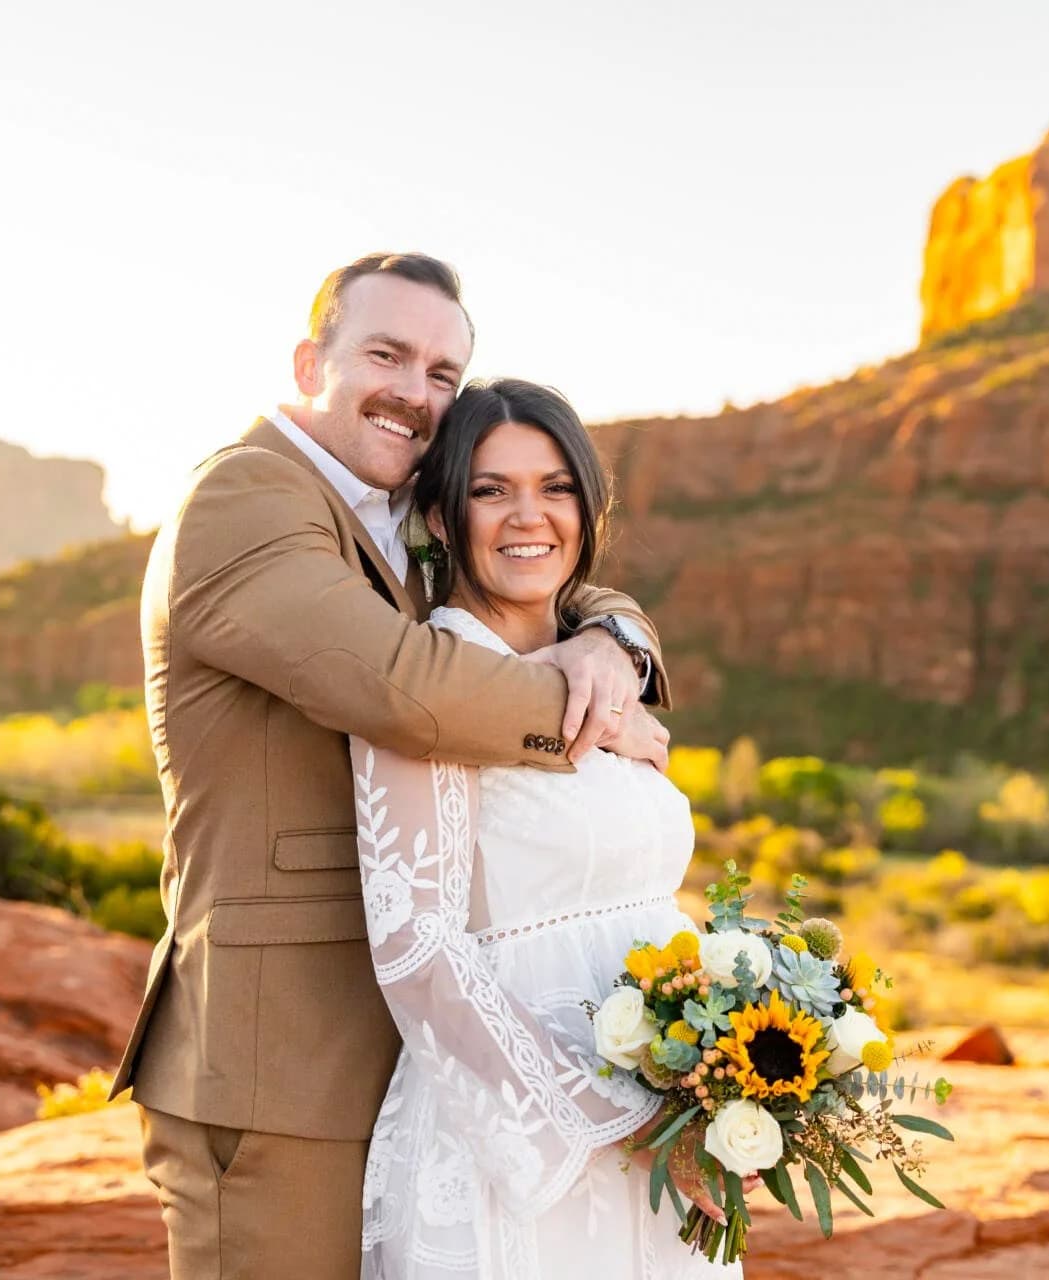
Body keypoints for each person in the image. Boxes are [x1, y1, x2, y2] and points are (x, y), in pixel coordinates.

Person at [111, 253, 673, 1279]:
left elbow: (527, 556)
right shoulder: (244, 498)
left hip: (412, 1071)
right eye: (387, 354)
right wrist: (594, 717)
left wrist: (613, 641)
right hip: (278, 1061)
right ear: (307, 360)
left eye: (442, 372)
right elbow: (405, 683)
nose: (415, 393)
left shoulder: (394, 515)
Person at [351, 379, 725, 1277]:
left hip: (671, 1116)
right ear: (440, 518)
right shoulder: (425, 685)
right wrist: (611, 1120)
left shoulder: (609, 665)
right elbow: (416, 945)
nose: (531, 515)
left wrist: (725, 1077)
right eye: (491, 490)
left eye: (556, 487)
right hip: (520, 1138)